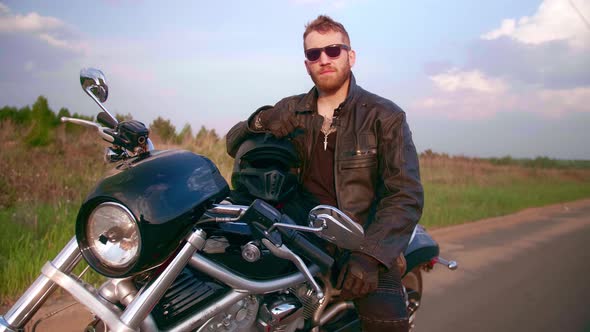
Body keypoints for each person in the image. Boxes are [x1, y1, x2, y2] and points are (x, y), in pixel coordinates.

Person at [226, 15, 423, 332]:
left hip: (360, 239)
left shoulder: (384, 116)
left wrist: (370, 257)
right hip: (294, 233)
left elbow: (405, 195)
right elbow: (233, 143)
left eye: (333, 50)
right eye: (314, 54)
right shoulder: (292, 109)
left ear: (350, 56)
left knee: (386, 323)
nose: (324, 59)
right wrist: (263, 120)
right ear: (307, 64)